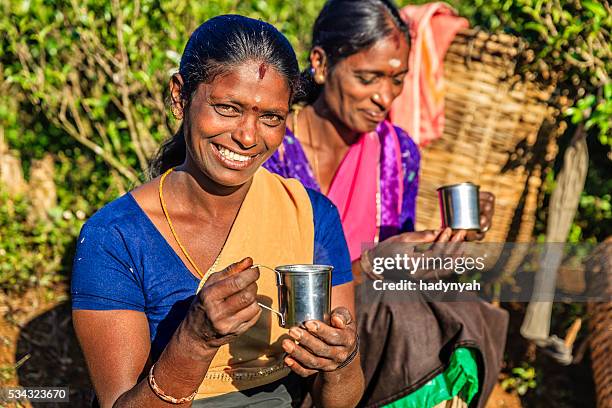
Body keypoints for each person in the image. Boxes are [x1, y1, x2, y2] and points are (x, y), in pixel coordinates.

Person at [71, 15, 364, 408]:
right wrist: (194, 341)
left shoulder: (310, 217)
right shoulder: (116, 237)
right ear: (180, 96)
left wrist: (340, 362)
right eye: (227, 108)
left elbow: (339, 400)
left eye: (271, 117)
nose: (247, 136)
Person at [263, 1, 508, 407]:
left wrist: (439, 248)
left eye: (398, 80)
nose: (384, 96)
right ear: (321, 63)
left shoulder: (398, 153)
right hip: (290, 340)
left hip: (374, 343)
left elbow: (396, 279)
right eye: (368, 77)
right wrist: (369, 266)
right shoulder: (271, 151)